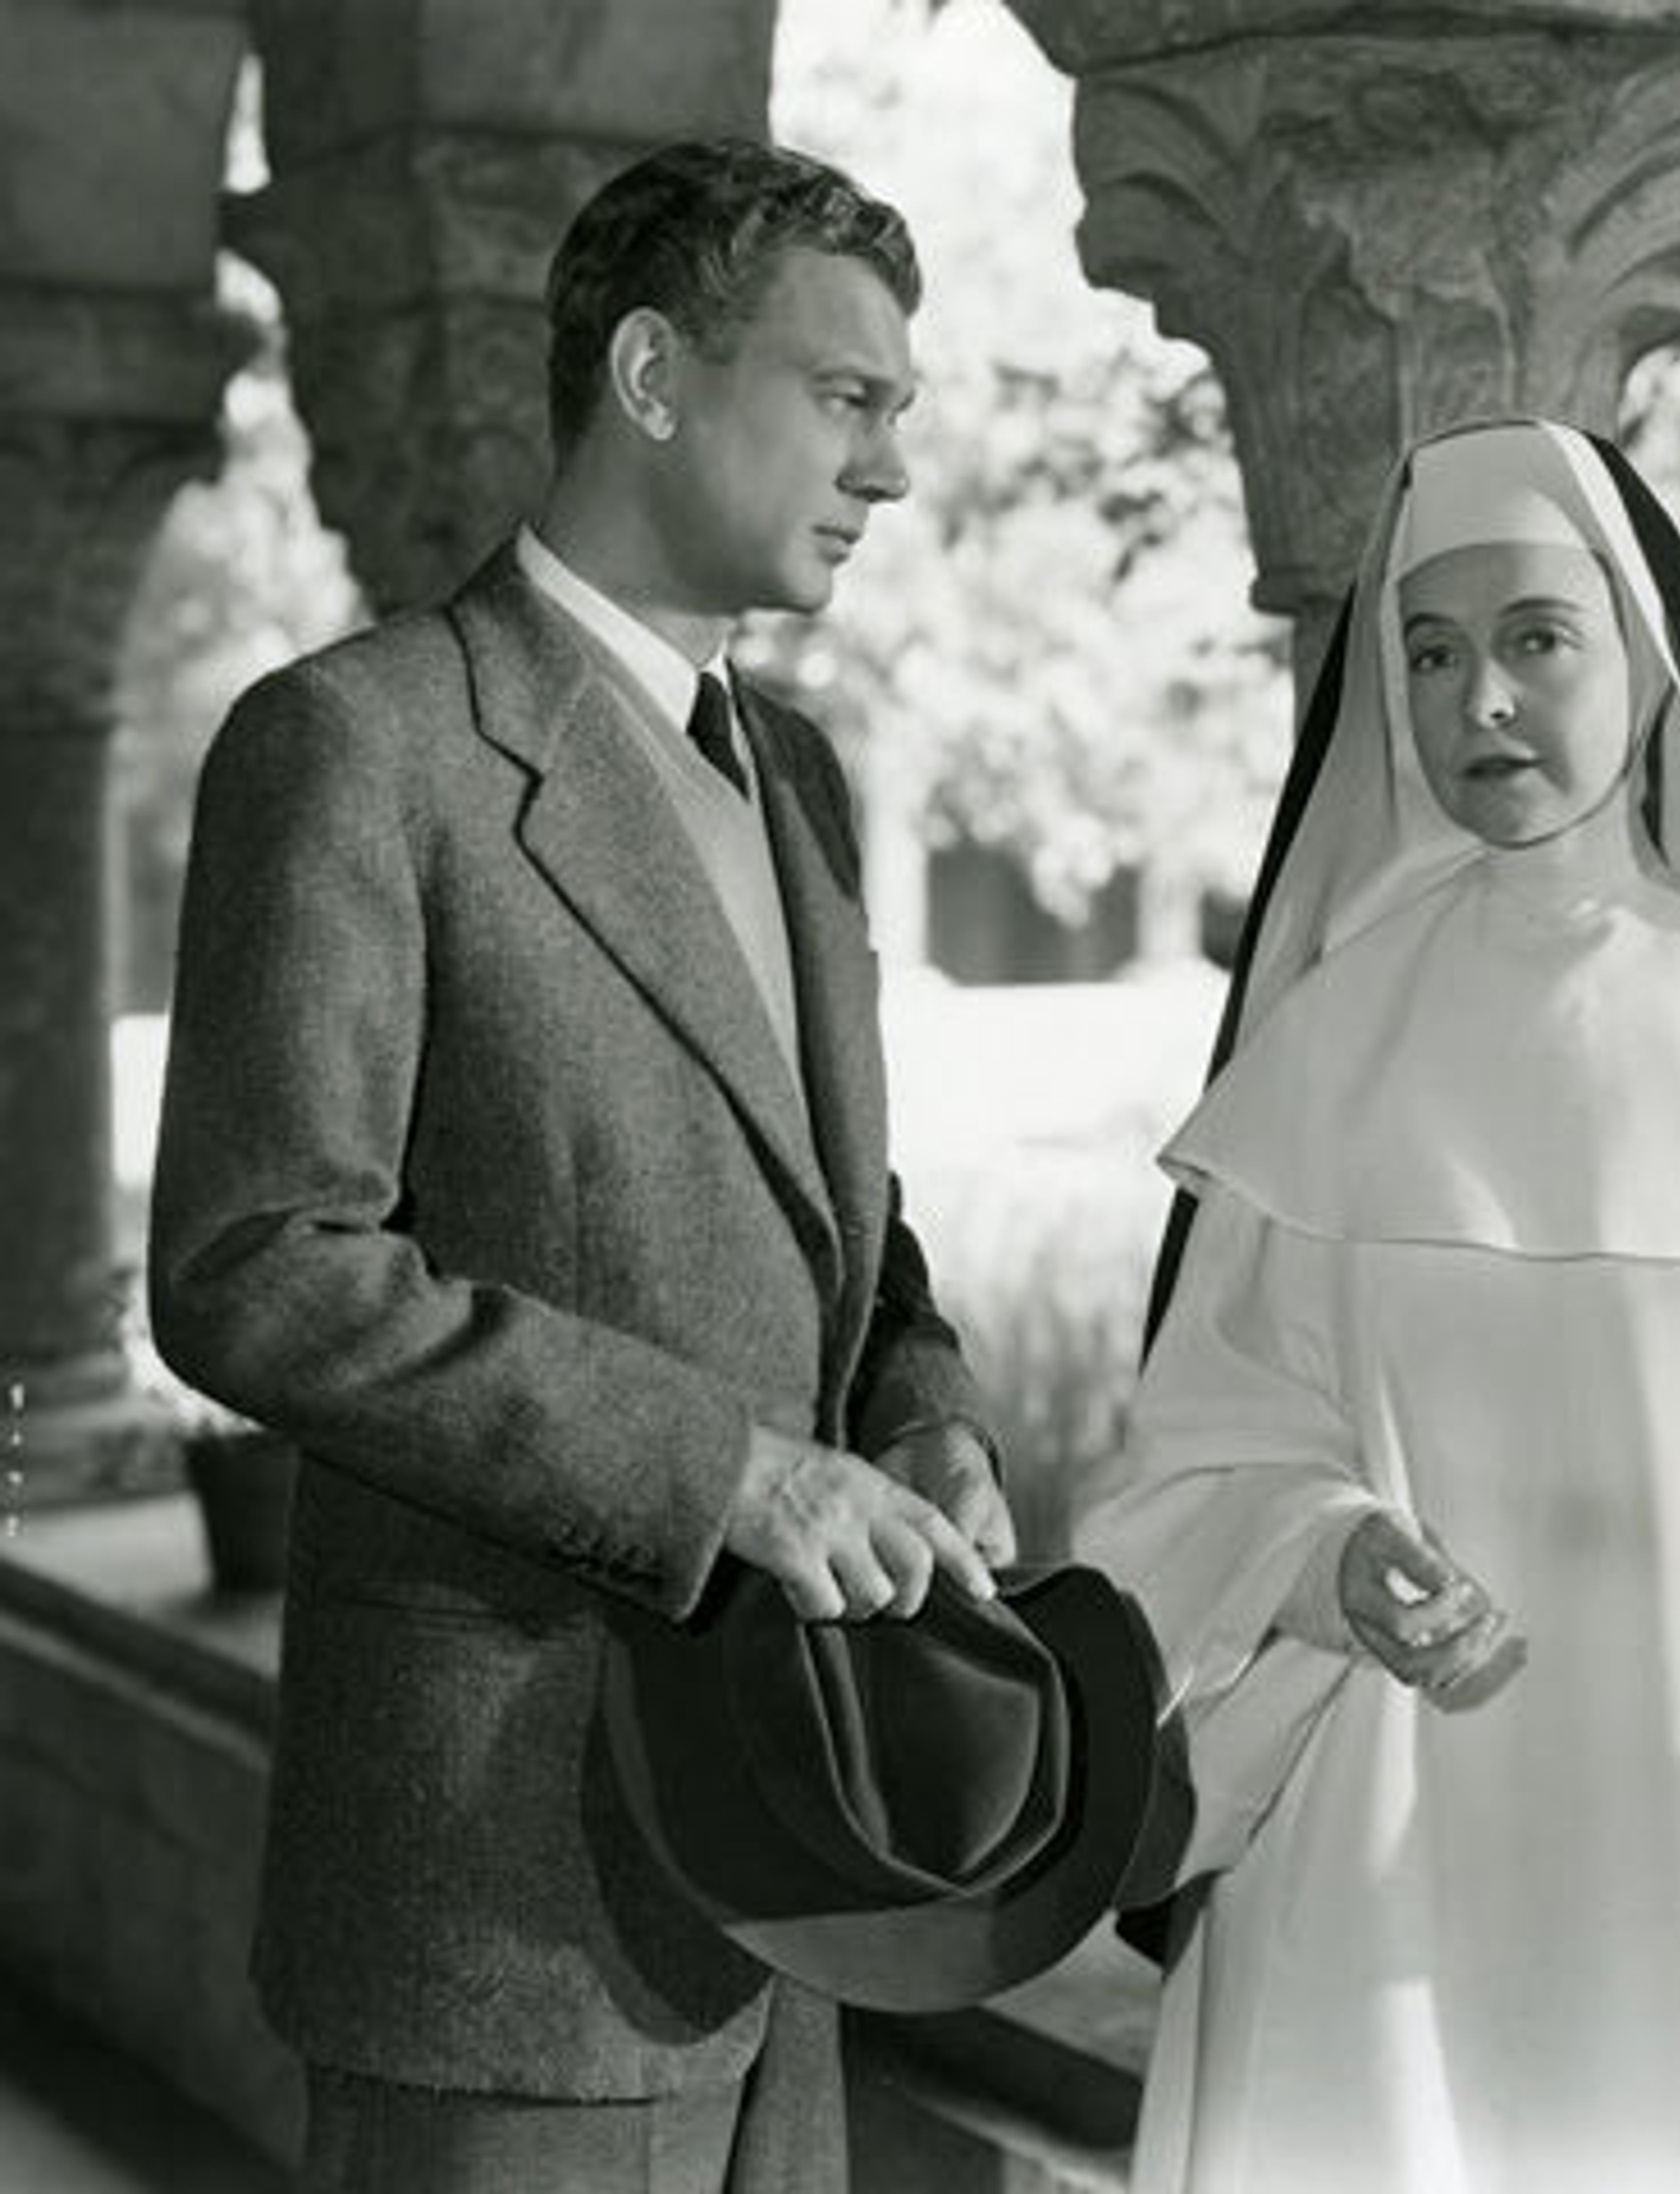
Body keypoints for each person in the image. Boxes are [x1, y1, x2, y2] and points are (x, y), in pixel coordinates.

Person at [1069, 416, 1680, 2194]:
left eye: (1538, 641)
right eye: (1434, 655)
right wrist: (1323, 1555)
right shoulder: (1325, 1049)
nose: (1483, 707)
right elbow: (1201, 1461)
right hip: (1360, 1875)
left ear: (1646, 655)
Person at [149, 138, 1015, 2194]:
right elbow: (259, 1262)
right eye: (848, 399)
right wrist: (719, 1470)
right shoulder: (360, 745)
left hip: (793, 1887)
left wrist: (927, 1414)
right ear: (650, 375)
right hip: (498, 1902)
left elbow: (843, 1225)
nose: (888, 469)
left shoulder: (800, 773)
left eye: (902, 413)